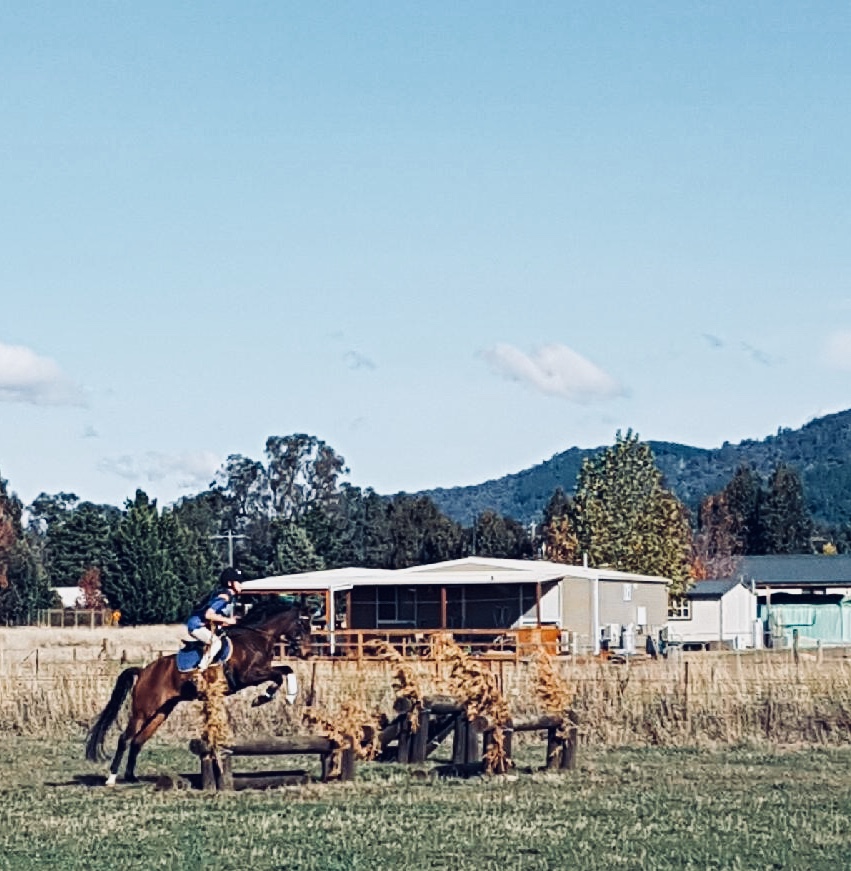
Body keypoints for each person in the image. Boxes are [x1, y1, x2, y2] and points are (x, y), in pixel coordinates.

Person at [186, 567, 244, 671]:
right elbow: (208, 614)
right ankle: (201, 669)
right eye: (238, 581)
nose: (241, 584)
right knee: (217, 643)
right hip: (196, 626)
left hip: (202, 625)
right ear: (230, 583)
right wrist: (228, 620)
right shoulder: (224, 596)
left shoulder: (230, 596)